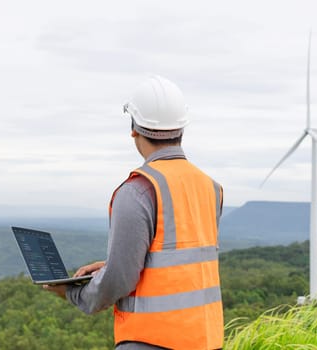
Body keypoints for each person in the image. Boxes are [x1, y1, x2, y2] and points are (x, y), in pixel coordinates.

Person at [44, 75, 224, 350]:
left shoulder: (137, 191)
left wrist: (73, 293)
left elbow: (119, 281)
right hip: (205, 340)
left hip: (151, 341)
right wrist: (112, 265)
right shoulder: (211, 188)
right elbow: (180, 261)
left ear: (134, 129)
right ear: (182, 128)